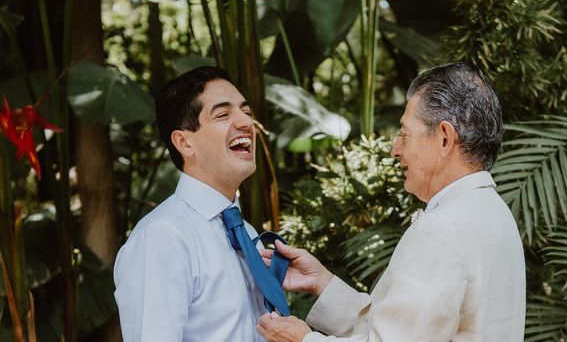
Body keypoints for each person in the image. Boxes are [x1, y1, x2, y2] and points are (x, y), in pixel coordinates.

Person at [257, 62, 526, 342]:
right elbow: (405, 328)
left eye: (404, 134)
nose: (394, 149)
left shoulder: (442, 229)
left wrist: (304, 340)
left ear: (445, 138)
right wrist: (323, 283)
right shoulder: (493, 212)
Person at [114, 66, 272, 341]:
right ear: (184, 142)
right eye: (223, 114)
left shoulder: (245, 233)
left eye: (246, 112)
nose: (246, 122)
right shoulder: (163, 236)